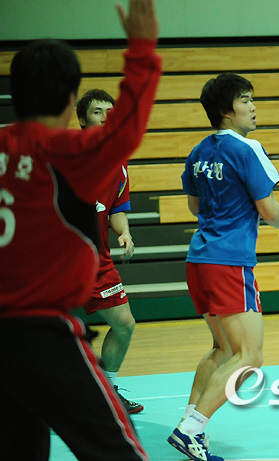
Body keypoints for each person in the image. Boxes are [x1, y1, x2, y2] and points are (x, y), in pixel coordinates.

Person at [0, 0, 161, 459]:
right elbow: (127, 128)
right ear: (72, 99)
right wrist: (142, 48)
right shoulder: (67, 152)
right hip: (41, 333)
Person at [167, 72, 279, 461]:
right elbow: (269, 210)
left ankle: (189, 423)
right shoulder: (247, 148)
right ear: (227, 110)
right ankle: (191, 429)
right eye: (245, 100)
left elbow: (194, 205)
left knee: (223, 349)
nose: (253, 107)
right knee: (249, 356)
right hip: (229, 263)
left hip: (199, 260)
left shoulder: (198, 151)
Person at [76, 88, 143, 414]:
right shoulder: (68, 157)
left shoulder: (119, 163)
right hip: (59, 259)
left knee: (124, 324)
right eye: (97, 112)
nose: (105, 118)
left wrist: (124, 232)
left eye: (110, 112)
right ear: (82, 120)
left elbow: (116, 207)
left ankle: (107, 390)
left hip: (97, 260)